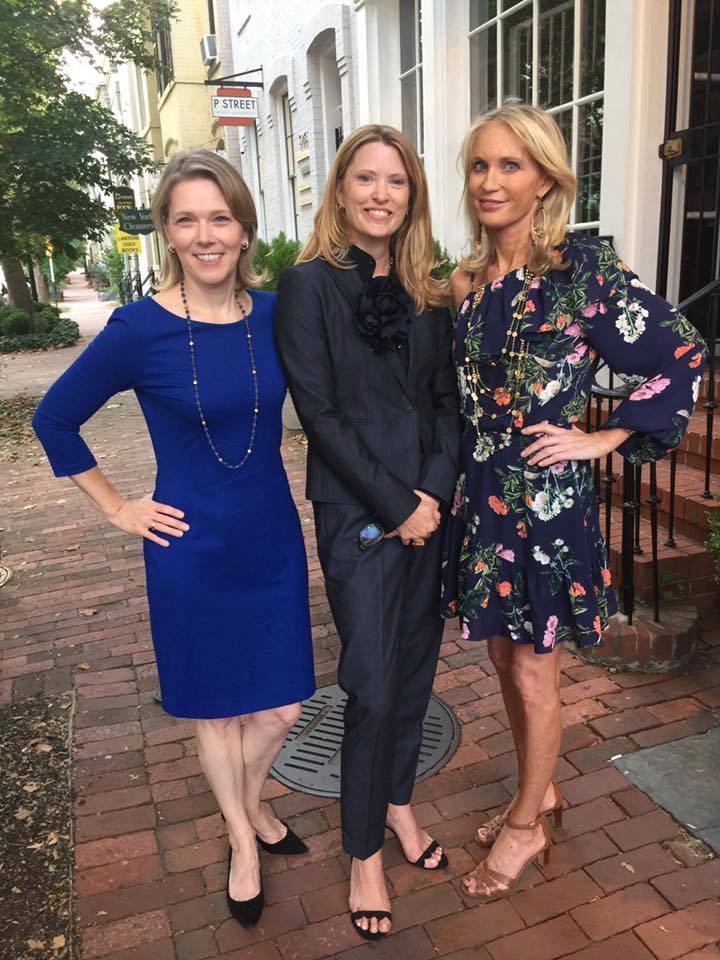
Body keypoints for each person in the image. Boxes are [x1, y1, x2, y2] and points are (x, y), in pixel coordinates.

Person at [32, 150, 316, 929]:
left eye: (219, 217)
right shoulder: (139, 329)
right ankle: (243, 837)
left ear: (246, 229)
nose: (206, 234)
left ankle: (250, 806)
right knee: (216, 714)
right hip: (188, 547)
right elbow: (53, 418)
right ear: (166, 230)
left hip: (269, 538)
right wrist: (118, 508)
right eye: (186, 219)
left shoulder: (274, 313)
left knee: (284, 709)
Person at [442, 103, 707, 901]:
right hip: (483, 497)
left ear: (546, 179)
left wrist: (604, 437)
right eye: (480, 165)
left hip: (548, 503)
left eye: (510, 165)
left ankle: (526, 828)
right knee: (498, 653)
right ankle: (541, 789)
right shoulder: (464, 280)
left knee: (533, 669)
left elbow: (683, 351)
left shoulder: (581, 275)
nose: (491, 181)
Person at [275, 124, 460, 941]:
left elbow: (450, 406)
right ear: (341, 189)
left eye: (397, 181)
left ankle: (398, 806)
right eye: (366, 178)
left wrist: (437, 493)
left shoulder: (429, 290)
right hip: (359, 514)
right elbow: (321, 414)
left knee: (415, 679)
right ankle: (361, 854)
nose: (381, 193)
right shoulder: (308, 286)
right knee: (373, 685)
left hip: (429, 506)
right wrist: (398, 505)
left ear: (412, 195)